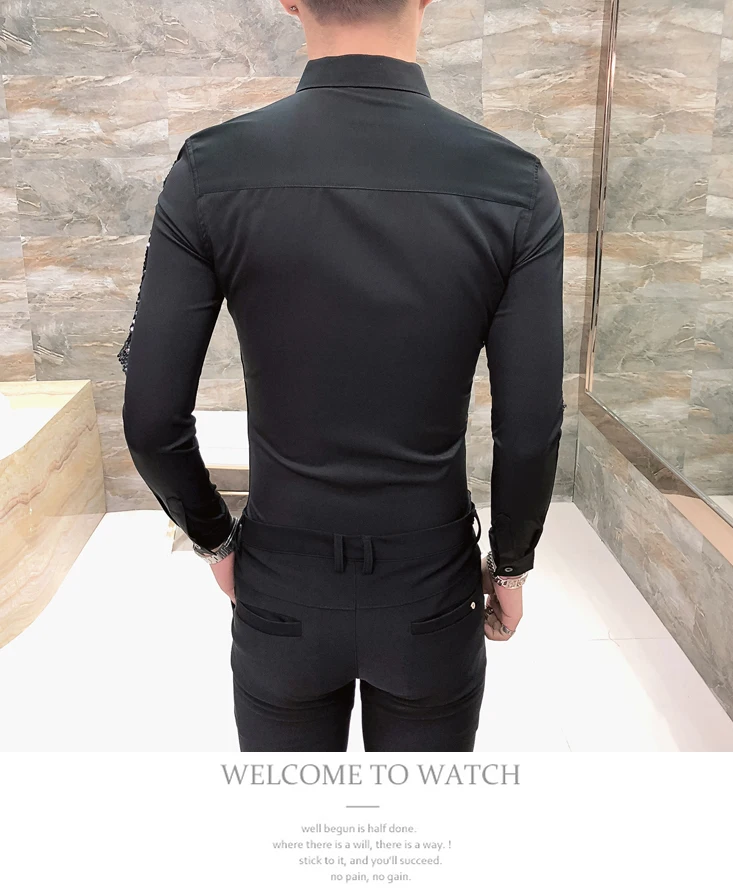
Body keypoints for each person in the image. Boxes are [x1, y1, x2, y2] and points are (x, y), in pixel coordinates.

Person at [120, 0, 565, 752]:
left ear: (290, 0)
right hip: (430, 590)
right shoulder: (515, 184)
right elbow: (527, 430)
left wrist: (217, 543)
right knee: (419, 819)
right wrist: (512, 566)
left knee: (293, 818)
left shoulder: (209, 171)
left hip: (282, 585)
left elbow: (152, 421)